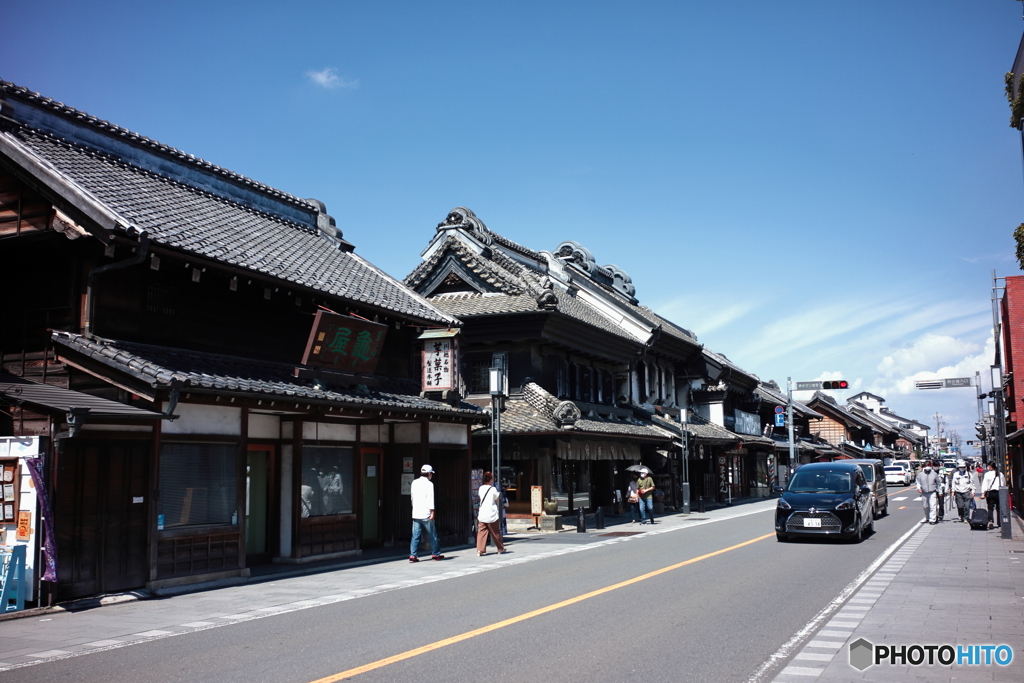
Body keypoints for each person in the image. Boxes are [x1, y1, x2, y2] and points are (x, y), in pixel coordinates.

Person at [409, 464, 443, 562]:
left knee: (415, 536)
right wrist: (432, 512)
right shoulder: (429, 484)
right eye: (431, 473)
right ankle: (436, 554)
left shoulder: (414, 482)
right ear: (429, 473)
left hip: (416, 512)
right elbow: (430, 499)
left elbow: (412, 497)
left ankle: (413, 555)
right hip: (426, 513)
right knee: (432, 534)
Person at [476, 471, 506, 556]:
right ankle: (500, 548)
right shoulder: (493, 489)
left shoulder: (481, 488)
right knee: (495, 532)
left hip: (482, 513)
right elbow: (496, 499)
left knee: (481, 532)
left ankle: (480, 550)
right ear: (491, 479)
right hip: (491, 513)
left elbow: (480, 497)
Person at [980, 462, 1006, 530]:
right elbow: (1003, 483)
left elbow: (985, 484)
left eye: (988, 466)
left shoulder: (987, 474)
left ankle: (991, 521)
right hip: (999, 492)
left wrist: (983, 493)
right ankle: (1000, 523)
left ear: (990, 467)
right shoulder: (1000, 474)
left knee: (990, 508)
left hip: (990, 493)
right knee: (999, 508)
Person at [915, 460, 938, 525]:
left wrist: (939, 491)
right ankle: (927, 517)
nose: (927, 467)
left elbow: (938, 483)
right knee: (925, 506)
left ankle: (932, 519)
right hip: (924, 492)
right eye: (926, 466)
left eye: (928, 466)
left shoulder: (934, 474)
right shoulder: (920, 474)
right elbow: (918, 482)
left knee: (932, 506)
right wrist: (918, 488)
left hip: (932, 492)